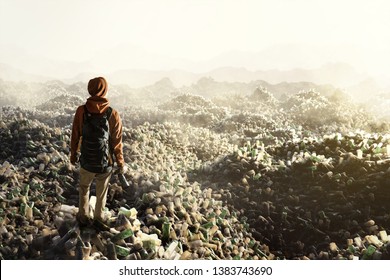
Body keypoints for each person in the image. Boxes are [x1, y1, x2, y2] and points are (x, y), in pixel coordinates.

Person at [70, 77, 127, 229]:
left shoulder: (82, 111)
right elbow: (117, 142)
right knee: (102, 193)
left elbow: (75, 135)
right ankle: (99, 219)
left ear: (90, 89)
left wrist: (73, 155)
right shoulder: (112, 113)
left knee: (84, 189)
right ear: (105, 90)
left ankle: (83, 217)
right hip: (105, 164)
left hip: (86, 161)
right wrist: (120, 163)